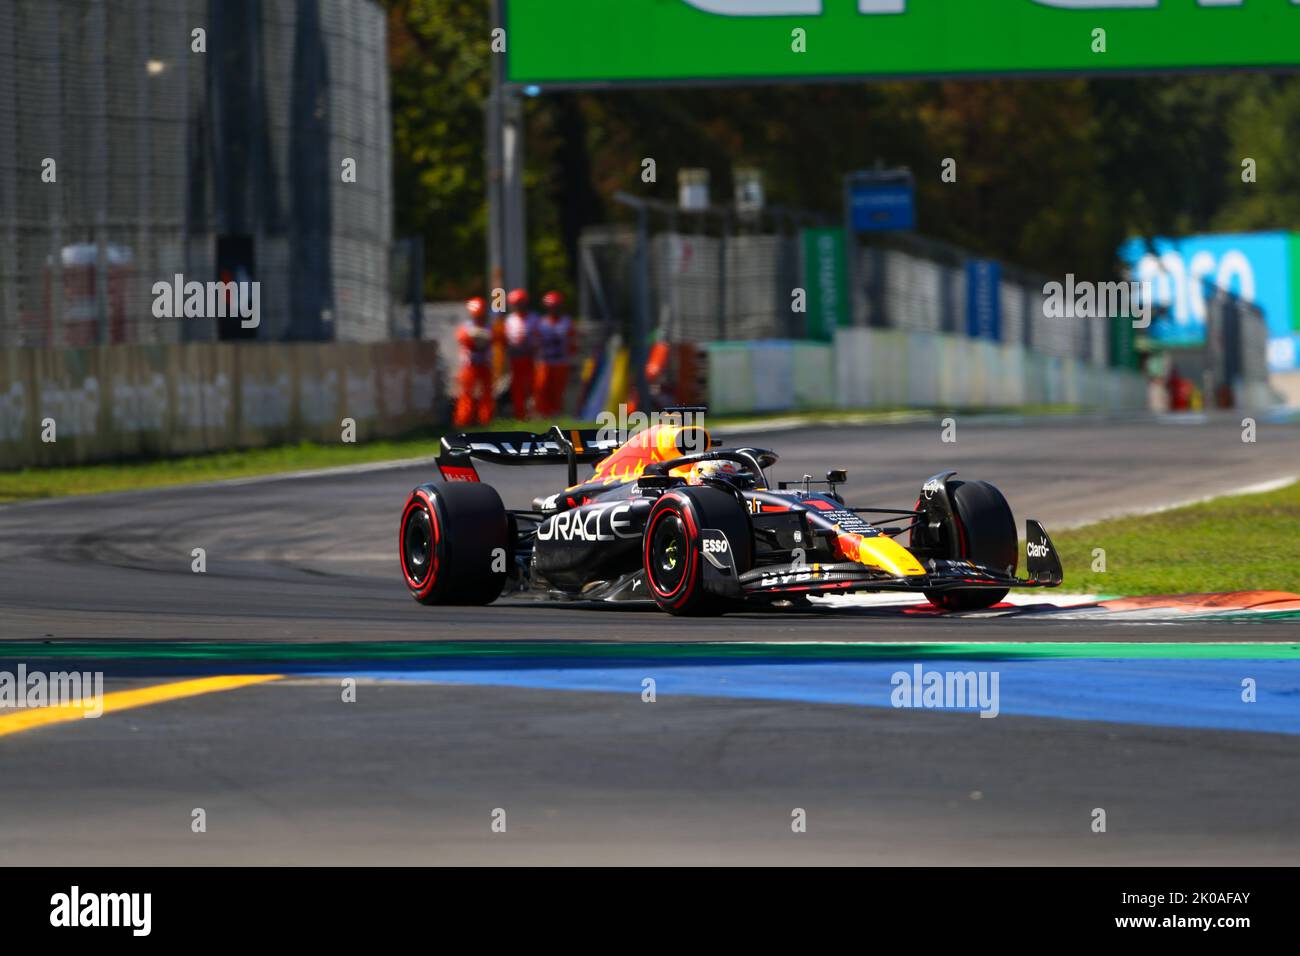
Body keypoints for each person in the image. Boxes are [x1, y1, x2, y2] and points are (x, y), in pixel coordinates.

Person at [454, 296, 501, 427]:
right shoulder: (466, 327)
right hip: (469, 366)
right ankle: (464, 420)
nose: (479, 318)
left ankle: (486, 419)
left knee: (487, 393)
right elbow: (463, 338)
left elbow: (495, 338)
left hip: (484, 365)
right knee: (466, 394)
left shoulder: (489, 327)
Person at [534, 290, 575, 418]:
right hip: (545, 362)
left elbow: (572, 342)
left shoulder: (566, 322)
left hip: (560, 362)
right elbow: (536, 342)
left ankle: (557, 414)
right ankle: (543, 414)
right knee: (542, 389)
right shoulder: (541, 323)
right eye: (551, 307)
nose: (554, 310)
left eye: (556, 307)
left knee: (558, 390)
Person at [503, 288, 538, 419]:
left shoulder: (534, 318)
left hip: (530, 358)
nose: (518, 306)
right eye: (516, 304)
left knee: (532, 386)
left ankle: (534, 413)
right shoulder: (510, 320)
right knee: (517, 387)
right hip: (515, 359)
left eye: (520, 303)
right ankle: (519, 413)